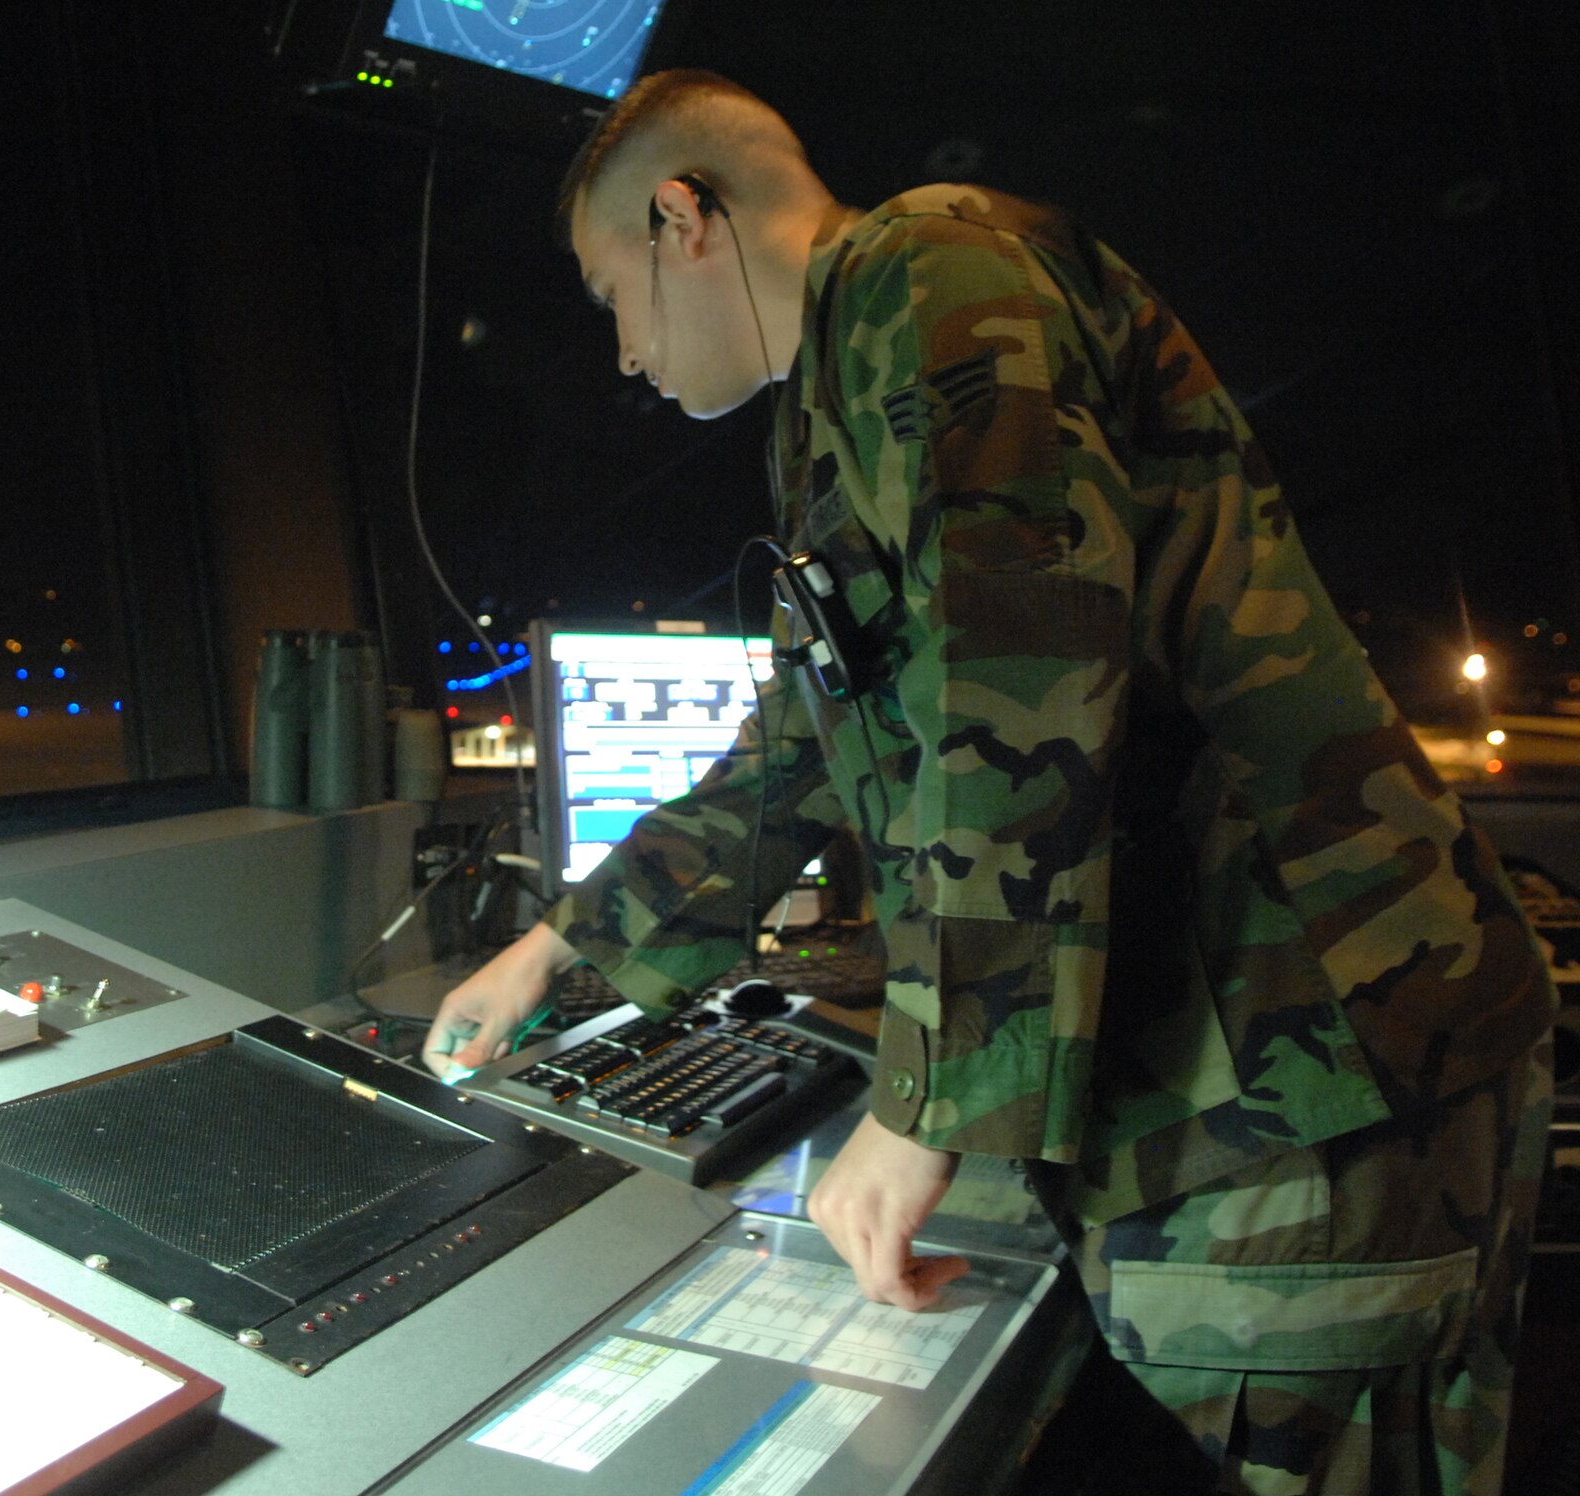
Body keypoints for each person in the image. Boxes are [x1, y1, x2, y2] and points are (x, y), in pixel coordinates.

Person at [421, 69, 1556, 1493]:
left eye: (610, 297)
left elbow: (1020, 663)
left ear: (684, 215)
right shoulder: (840, 392)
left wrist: (926, 1105)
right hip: (1263, 1054)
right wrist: (559, 945)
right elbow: (801, 749)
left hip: (1300, 1057)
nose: (626, 357)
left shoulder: (932, 270)